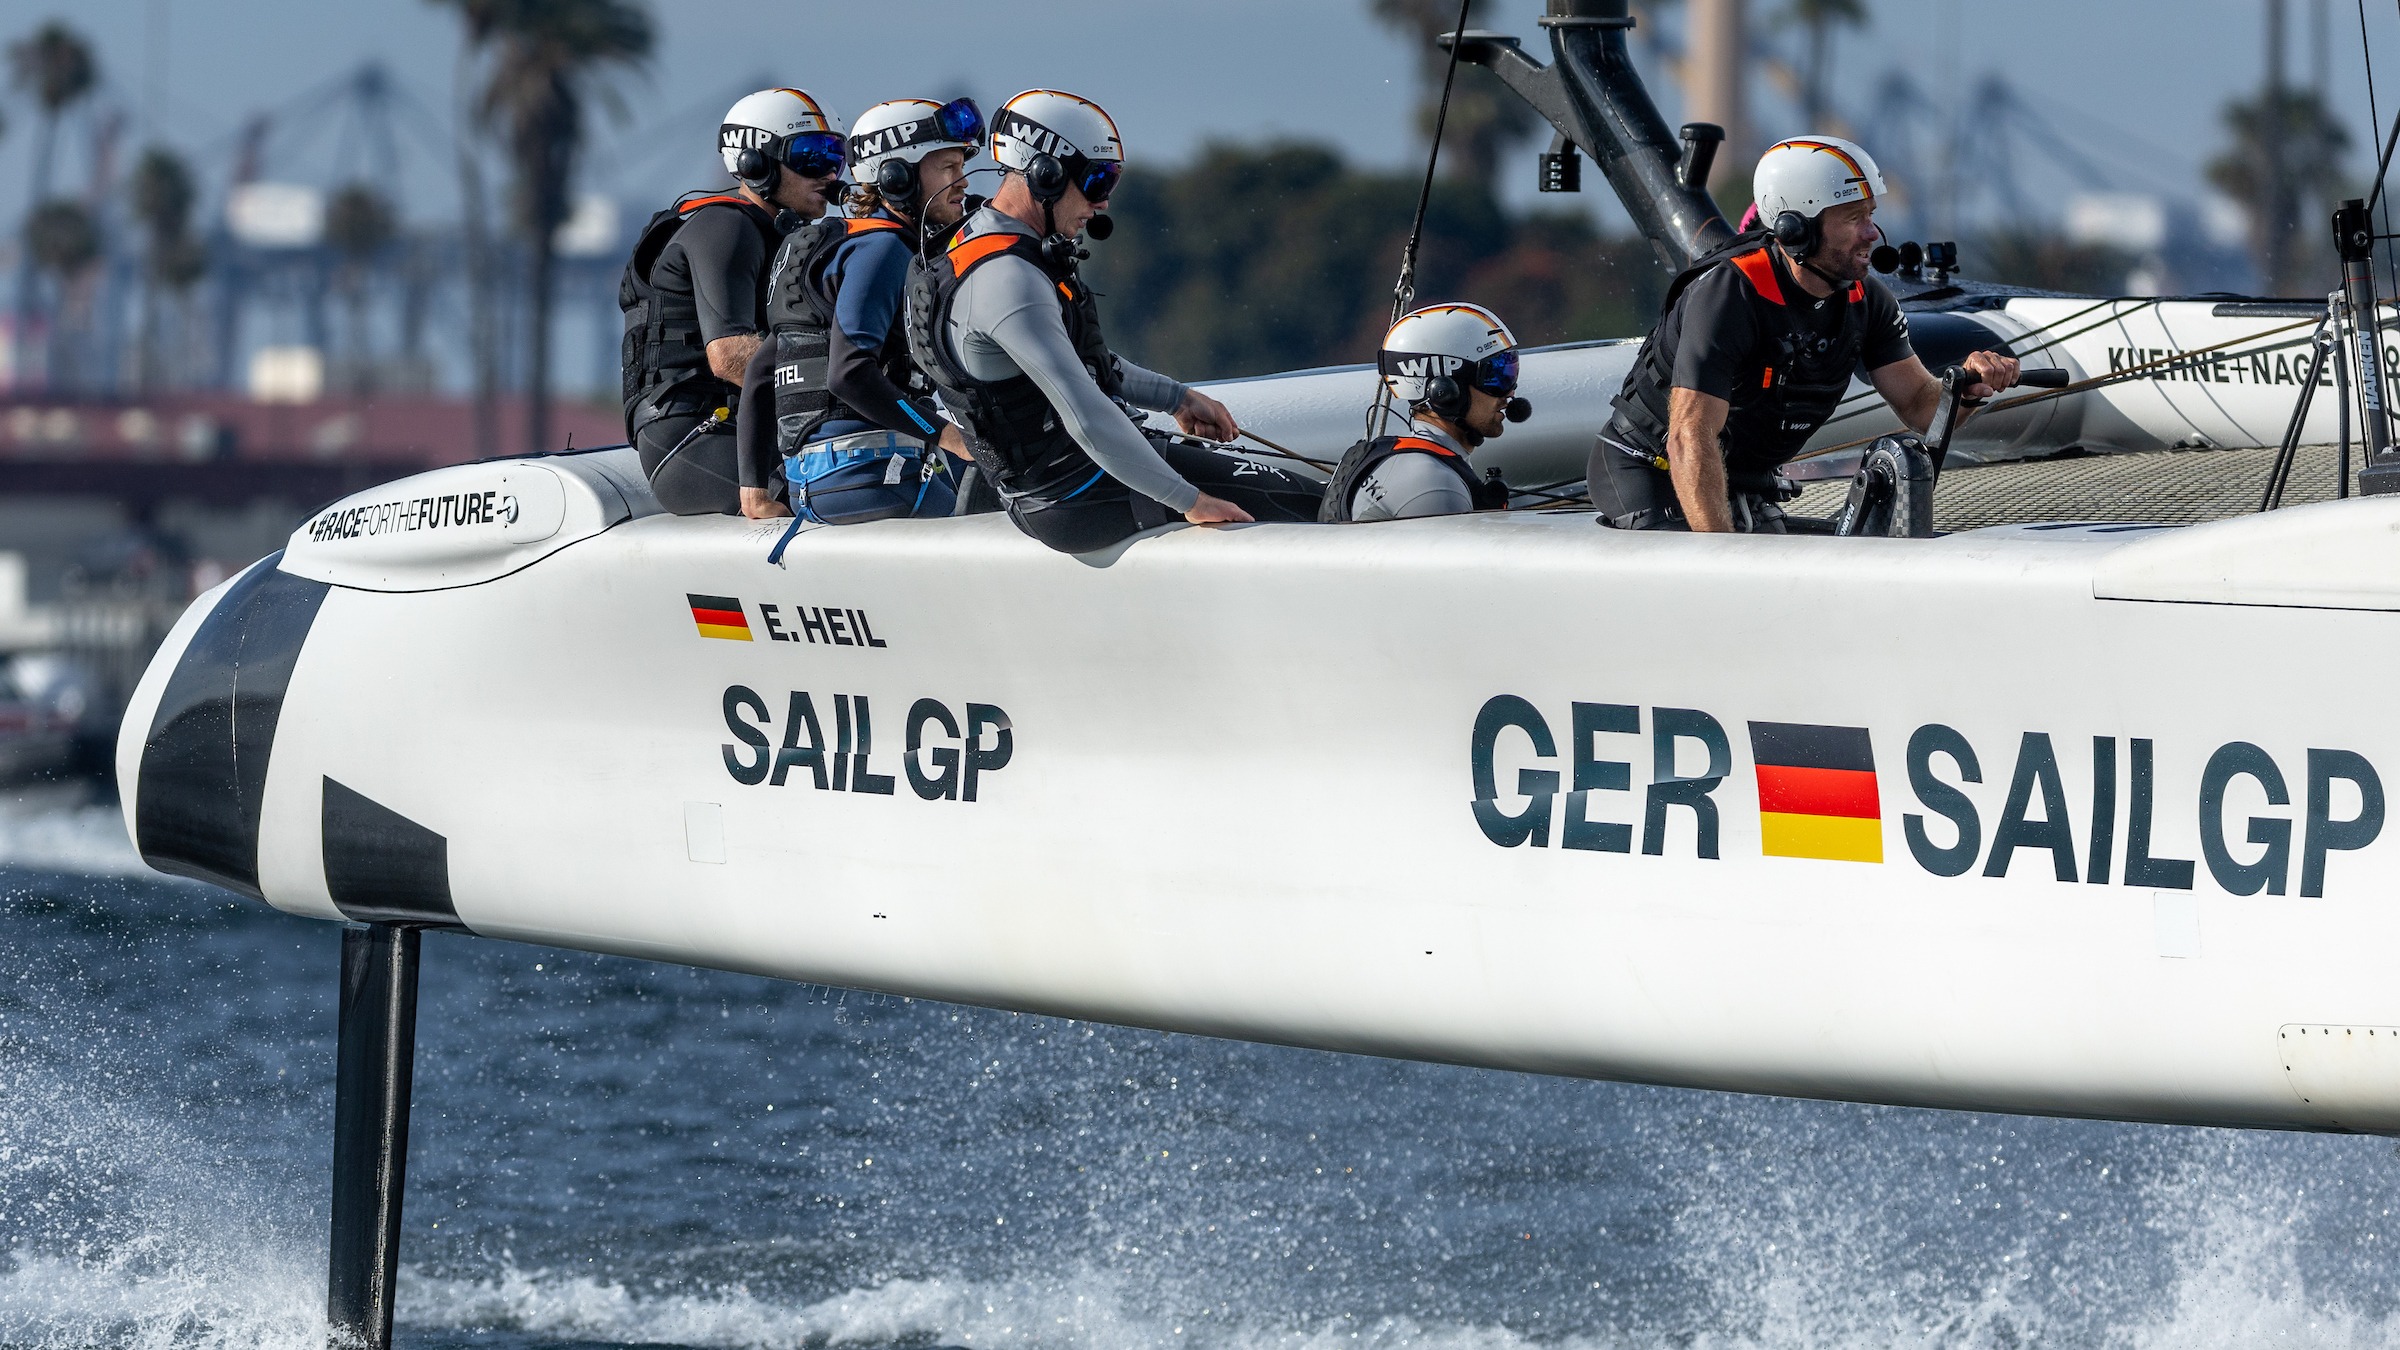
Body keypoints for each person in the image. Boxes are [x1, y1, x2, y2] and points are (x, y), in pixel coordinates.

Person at [902, 89, 1321, 554]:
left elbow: (1079, 363)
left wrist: (1176, 398)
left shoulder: (976, 240)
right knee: (1309, 502)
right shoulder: (1008, 279)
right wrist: (1190, 501)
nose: (1102, 204)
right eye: (1097, 181)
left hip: (1056, 489)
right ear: (1046, 175)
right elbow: (1086, 414)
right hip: (1079, 496)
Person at [1588, 135, 2020, 532]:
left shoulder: (1866, 299)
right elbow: (1689, 436)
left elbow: (1920, 406)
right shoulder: (1729, 295)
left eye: (1871, 215)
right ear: (1796, 229)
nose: (1872, 232)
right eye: (1853, 218)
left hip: (1744, 479)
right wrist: (1722, 565)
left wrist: (1965, 386)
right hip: (1650, 468)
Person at [734, 97, 986, 522]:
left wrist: (753, 492)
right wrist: (948, 435)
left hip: (816, 484)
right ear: (897, 176)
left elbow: (762, 371)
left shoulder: (844, 245)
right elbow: (848, 375)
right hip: (870, 475)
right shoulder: (885, 249)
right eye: (949, 168)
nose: (962, 181)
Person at [619, 88, 843, 516]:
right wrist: (846, 388)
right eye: (812, 156)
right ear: (755, 164)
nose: (830, 175)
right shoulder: (727, 227)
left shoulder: (777, 235)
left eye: (836, 156)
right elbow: (731, 356)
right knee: (847, 487)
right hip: (692, 440)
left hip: (741, 429)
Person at [1320, 303, 1529, 522]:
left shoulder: (1417, 466)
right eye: (1495, 376)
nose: (1511, 391)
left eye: (1510, 372)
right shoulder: (1435, 485)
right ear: (1445, 391)